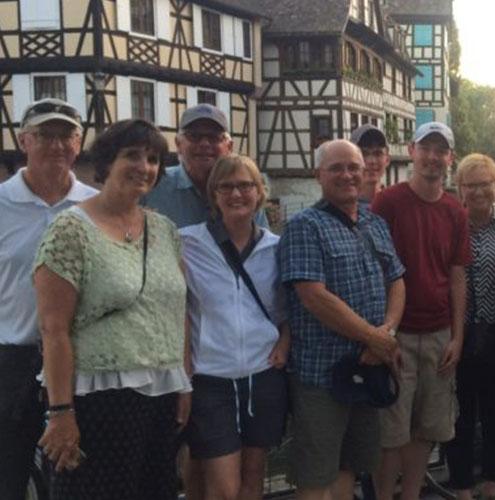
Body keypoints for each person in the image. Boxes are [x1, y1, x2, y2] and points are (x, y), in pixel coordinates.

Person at [33, 119, 191, 499]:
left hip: (160, 395)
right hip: (97, 399)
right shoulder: (70, 230)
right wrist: (61, 412)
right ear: (106, 162)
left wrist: (184, 382)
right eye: (132, 155)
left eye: (153, 159)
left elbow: (176, 311)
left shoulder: (164, 230)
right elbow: (53, 330)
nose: (145, 166)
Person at [279, 140, 405, 500]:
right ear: (318, 174)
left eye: (353, 166)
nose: (347, 174)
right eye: (336, 168)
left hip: (368, 368)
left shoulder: (374, 223)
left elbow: (397, 280)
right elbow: (313, 296)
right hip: (322, 374)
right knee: (316, 475)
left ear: (364, 171)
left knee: (351, 464)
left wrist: (387, 332)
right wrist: (375, 338)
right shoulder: (305, 226)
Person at [0, 99, 97, 500]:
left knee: (80, 478)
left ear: (79, 143)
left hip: (83, 360)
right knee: (8, 475)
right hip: (12, 360)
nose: (56, 145)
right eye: (45, 135)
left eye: (65, 136)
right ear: (24, 140)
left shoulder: (96, 205)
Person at [179, 155, 290, 500]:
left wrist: (284, 343)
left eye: (245, 186)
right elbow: (176, 306)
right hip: (212, 378)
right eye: (226, 186)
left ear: (260, 193)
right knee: (225, 488)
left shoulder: (276, 247)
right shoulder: (187, 243)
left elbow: (289, 308)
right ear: (214, 195)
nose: (236, 194)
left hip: (264, 374)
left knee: (253, 476)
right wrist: (184, 367)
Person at [370, 121, 470, 500]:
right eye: (425, 148)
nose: (432, 157)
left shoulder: (454, 211)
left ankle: (410, 495)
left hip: (439, 334)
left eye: (440, 150)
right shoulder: (388, 202)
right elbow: (375, 269)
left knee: (426, 429)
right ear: (411, 151)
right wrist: (382, 334)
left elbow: (457, 276)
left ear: (450, 158)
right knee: (391, 432)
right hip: (398, 333)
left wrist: (457, 337)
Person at [444, 154, 495, 500]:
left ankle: (492, 482)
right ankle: (461, 486)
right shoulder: (449, 222)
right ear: (459, 188)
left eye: (485, 183)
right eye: (470, 185)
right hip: (458, 333)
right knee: (459, 415)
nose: (478, 191)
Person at [144, 103, 268, 229]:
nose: (204, 143)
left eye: (214, 137)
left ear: (229, 147)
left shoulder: (244, 193)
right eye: (194, 136)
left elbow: (262, 245)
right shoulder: (153, 186)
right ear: (178, 144)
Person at [350, 124, 391, 203]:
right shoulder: (340, 208)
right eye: (364, 154)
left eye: (378, 153)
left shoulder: (396, 204)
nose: (371, 161)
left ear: (387, 160)